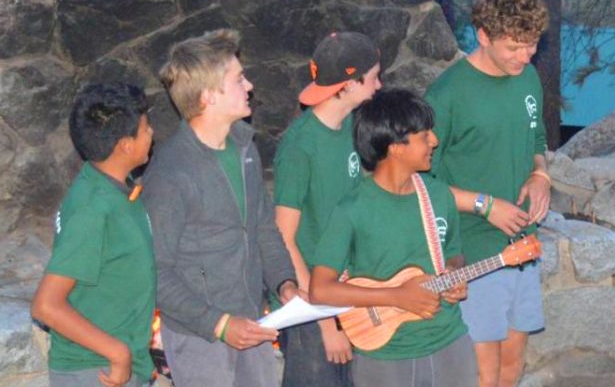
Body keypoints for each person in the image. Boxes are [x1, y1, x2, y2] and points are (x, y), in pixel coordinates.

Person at [142, 29, 299, 387]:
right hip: (201, 338)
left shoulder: (245, 148)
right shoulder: (170, 172)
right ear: (209, 95)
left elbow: (263, 229)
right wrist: (219, 324)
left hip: (253, 324)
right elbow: (155, 271)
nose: (250, 85)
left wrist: (284, 283)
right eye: (239, 79)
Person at [425, 0, 551, 387]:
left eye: (531, 44)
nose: (525, 56)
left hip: (522, 245)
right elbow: (419, 183)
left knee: (513, 365)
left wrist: (541, 175)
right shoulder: (446, 94)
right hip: (473, 251)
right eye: (514, 47)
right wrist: (485, 205)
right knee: (482, 372)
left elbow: (536, 140)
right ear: (483, 36)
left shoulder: (527, 77)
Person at [309, 88, 476, 387]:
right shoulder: (352, 209)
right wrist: (395, 297)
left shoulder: (438, 195)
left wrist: (453, 272)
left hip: (450, 341)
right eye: (424, 136)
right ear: (396, 148)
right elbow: (320, 290)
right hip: (385, 355)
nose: (435, 141)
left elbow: (453, 251)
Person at [273, 31, 382, 386]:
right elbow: (285, 238)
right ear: (348, 84)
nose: (379, 85)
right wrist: (325, 324)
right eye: (374, 76)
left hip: (349, 295)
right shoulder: (300, 145)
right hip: (314, 309)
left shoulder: (351, 127)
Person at [32, 83, 156, 387]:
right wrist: (118, 353)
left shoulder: (111, 188)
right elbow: (46, 305)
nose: (152, 133)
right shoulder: (94, 209)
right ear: (125, 145)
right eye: (145, 127)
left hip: (116, 363)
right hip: (93, 370)